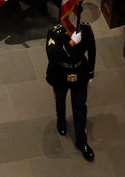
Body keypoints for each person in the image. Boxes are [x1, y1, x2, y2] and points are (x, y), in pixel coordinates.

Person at [45, 16, 96, 161]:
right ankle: (61, 120)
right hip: (61, 73)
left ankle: (82, 141)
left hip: (80, 72)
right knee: (60, 100)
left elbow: (92, 50)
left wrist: (91, 71)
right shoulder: (55, 32)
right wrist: (71, 43)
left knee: (80, 106)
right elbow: (53, 55)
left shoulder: (85, 29)